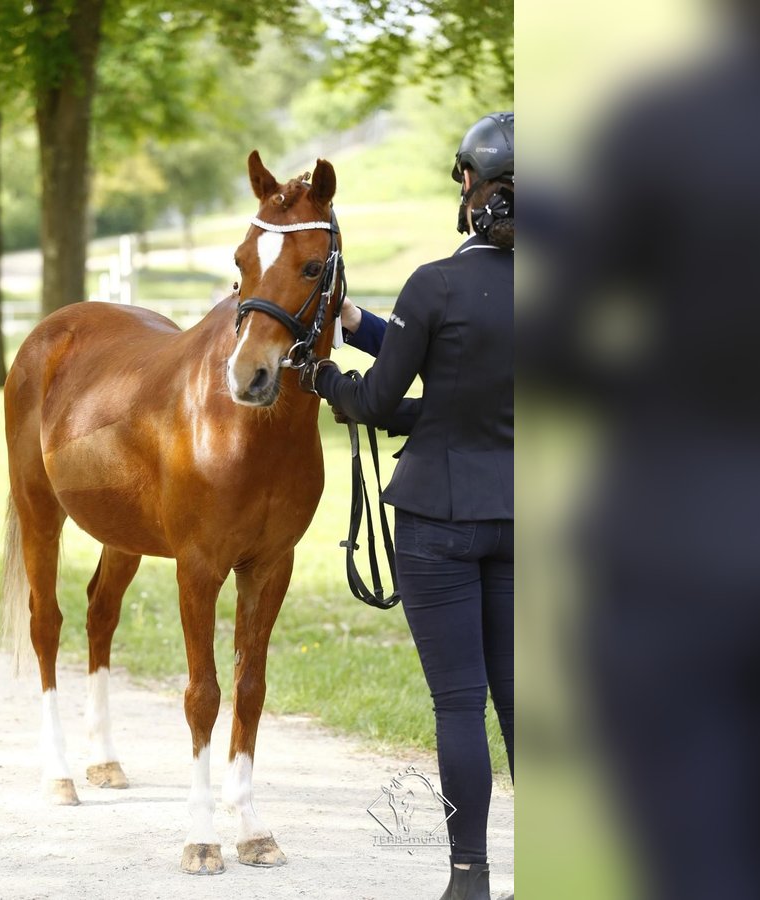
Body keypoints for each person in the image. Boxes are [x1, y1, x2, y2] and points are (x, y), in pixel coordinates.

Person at [313, 113, 514, 900]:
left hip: (438, 521)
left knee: (459, 702)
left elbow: (376, 399)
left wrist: (323, 374)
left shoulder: (435, 283)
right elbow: (462, 392)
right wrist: (362, 322)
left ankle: (469, 878)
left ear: (471, 186)